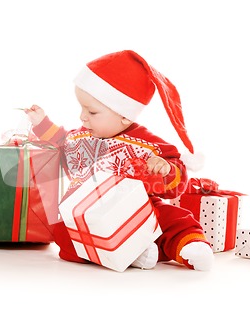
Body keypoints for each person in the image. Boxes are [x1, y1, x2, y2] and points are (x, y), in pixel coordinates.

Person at [24, 50, 214, 271]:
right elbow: (63, 143)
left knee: (173, 217)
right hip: (91, 210)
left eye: (92, 112)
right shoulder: (83, 135)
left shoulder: (148, 145)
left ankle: (190, 246)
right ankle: (128, 253)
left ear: (125, 114)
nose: (82, 117)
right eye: (82, 109)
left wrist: (166, 169)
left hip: (139, 208)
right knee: (63, 232)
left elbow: (176, 180)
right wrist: (42, 124)